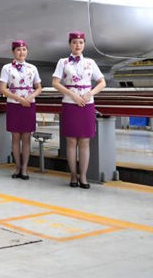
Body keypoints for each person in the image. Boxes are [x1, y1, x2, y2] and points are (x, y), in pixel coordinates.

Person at [52, 31, 106, 189]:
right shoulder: (63, 62)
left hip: (87, 104)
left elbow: (102, 82)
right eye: (75, 42)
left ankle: (83, 176)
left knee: (84, 141)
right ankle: (73, 175)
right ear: (70, 44)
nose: (78, 45)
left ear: (84, 44)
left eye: (81, 42)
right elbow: (55, 82)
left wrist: (90, 93)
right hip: (70, 102)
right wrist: (73, 95)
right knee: (71, 141)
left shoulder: (90, 62)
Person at [0, 40, 42, 180]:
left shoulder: (32, 68)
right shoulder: (7, 68)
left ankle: (25, 168)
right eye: (18, 50)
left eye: (24, 49)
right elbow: (3, 89)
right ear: (13, 52)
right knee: (15, 138)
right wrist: (19, 99)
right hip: (14, 104)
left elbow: (39, 87)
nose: (21, 52)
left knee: (27, 138)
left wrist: (30, 97)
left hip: (29, 104)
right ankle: (17, 166)